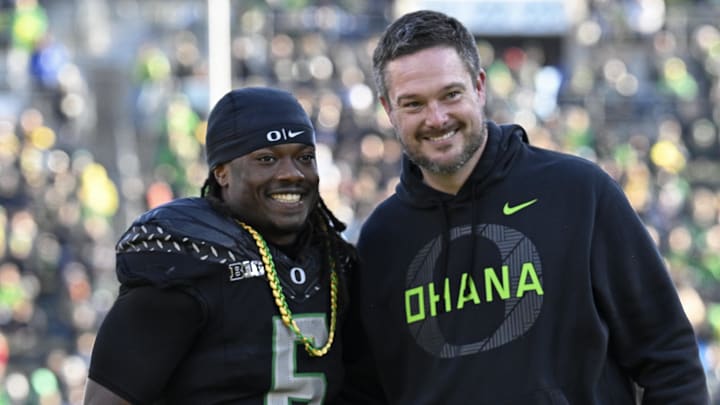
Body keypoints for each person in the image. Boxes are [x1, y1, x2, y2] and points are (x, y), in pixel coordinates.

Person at [339, 9, 709, 404]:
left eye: (451, 94)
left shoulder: (579, 193)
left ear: (479, 87)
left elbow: (670, 359)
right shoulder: (381, 240)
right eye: (413, 104)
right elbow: (367, 392)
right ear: (387, 109)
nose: (437, 118)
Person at [83, 86, 356, 404]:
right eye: (266, 159)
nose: (292, 174)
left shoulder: (334, 262)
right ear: (222, 172)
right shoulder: (189, 256)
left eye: (305, 157)